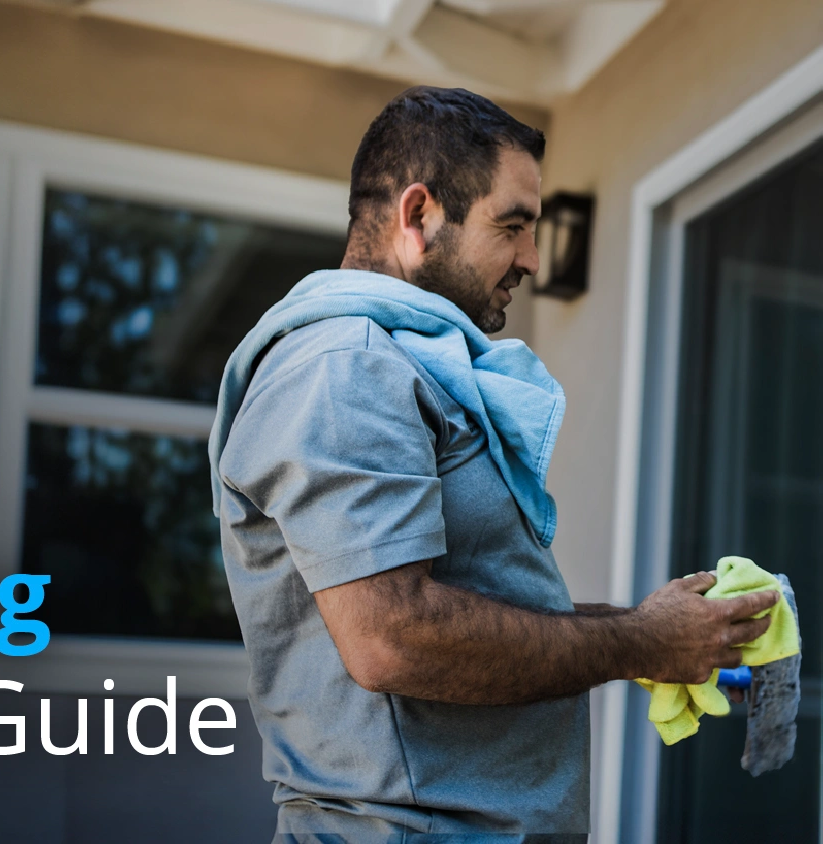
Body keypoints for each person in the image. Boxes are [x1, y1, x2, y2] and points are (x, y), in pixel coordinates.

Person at [208, 86, 778, 842]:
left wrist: (651, 627)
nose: (532, 259)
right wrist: (638, 642)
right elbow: (392, 635)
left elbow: (461, 603)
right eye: (512, 226)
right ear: (419, 216)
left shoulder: (393, 364)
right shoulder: (345, 367)